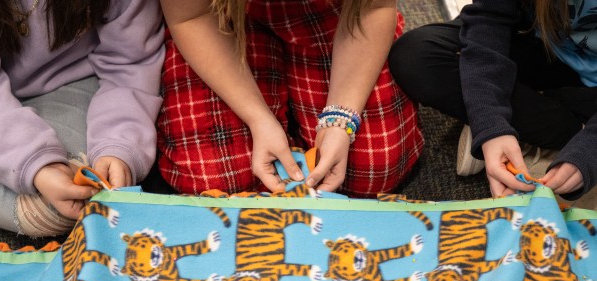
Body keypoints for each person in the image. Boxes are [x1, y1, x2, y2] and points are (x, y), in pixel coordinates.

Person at [157, 0, 423, 198]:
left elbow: (372, 7)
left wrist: (342, 117)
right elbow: (190, 17)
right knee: (216, 182)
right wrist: (257, 117)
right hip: (217, 15)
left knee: (371, 172)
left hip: (336, 12)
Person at [0, 0, 165, 236]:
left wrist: (118, 143)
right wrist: (31, 163)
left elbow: (129, 61)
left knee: (68, 201)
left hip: (65, 84)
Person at [389, 0, 597, 204]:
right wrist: (490, 124)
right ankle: (536, 127)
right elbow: (488, 21)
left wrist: (587, 153)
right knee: (415, 56)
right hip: (533, 42)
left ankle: (549, 132)